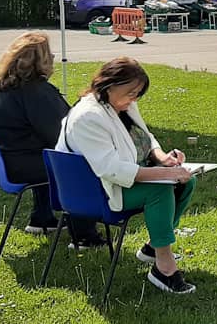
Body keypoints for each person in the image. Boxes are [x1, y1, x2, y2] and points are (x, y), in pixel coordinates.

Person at [57, 57, 198, 294]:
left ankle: (154, 248)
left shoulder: (123, 104)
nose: (134, 99)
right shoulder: (87, 117)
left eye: (138, 94)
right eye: (131, 93)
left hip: (117, 180)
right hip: (97, 191)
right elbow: (110, 169)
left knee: (186, 181)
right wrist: (162, 173)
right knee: (160, 189)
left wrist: (162, 157)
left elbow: (146, 137)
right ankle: (164, 267)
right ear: (109, 84)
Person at [0, 32, 102, 247]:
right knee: (77, 163)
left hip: (1, 163)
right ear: (40, 61)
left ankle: (42, 218)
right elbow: (65, 134)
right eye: (49, 54)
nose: (53, 57)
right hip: (19, 165)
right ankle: (84, 236)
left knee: (44, 152)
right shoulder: (36, 92)